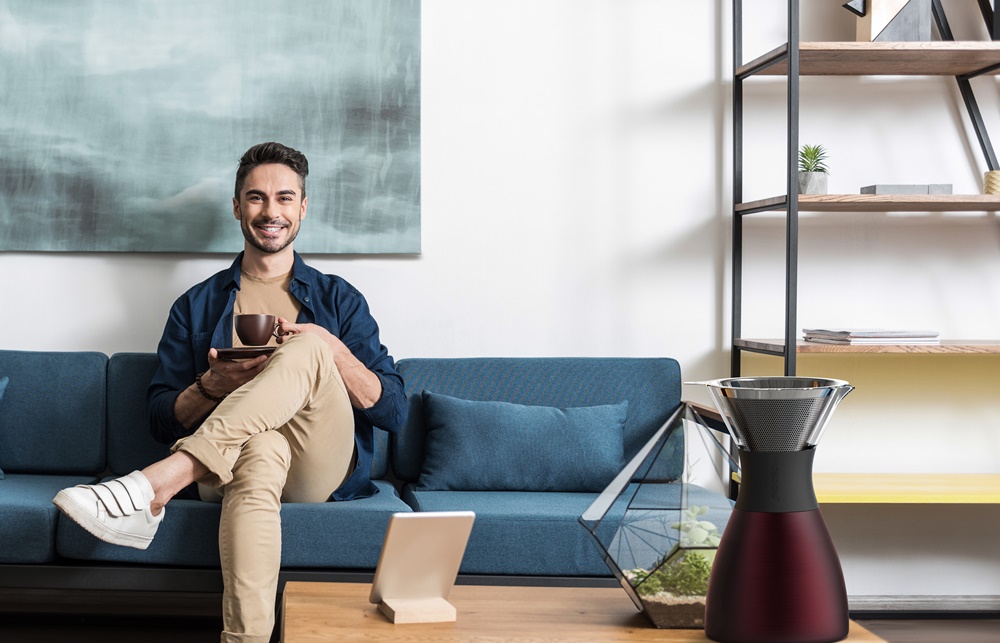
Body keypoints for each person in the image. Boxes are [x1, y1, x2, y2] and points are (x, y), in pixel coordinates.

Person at [53, 142, 407, 643]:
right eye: (257, 198)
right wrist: (209, 386)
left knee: (308, 349)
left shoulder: (338, 299)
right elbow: (159, 417)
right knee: (262, 448)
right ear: (238, 206)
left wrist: (331, 348)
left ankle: (156, 483)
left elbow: (393, 409)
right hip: (232, 467)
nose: (271, 212)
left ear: (302, 208)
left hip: (317, 465)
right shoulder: (195, 306)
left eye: (285, 198)